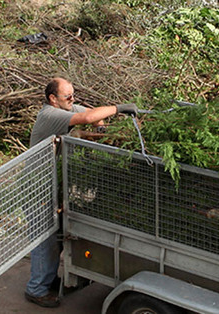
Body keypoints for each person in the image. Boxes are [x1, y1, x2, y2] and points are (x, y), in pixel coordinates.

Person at [25, 77, 137, 308]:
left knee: (56, 234)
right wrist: (119, 109)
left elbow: (92, 113)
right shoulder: (50, 115)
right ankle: (35, 289)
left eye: (73, 95)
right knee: (43, 240)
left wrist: (101, 125)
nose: (72, 99)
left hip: (52, 183)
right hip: (36, 186)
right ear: (52, 99)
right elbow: (86, 118)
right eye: (68, 96)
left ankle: (48, 279)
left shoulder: (65, 107)